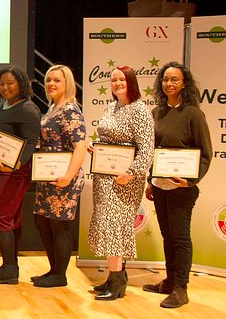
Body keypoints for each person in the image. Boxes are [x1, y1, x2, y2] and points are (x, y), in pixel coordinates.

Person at [143, 62, 212, 308]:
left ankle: (181, 289)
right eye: (165, 79)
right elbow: (151, 150)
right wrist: (151, 181)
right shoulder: (156, 113)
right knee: (167, 236)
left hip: (183, 188)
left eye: (174, 79)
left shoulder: (193, 113)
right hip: (159, 186)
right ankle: (170, 281)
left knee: (181, 238)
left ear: (184, 83)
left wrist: (190, 180)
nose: (169, 83)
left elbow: (206, 153)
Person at [88, 65, 154, 301]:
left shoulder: (140, 111)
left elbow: (147, 150)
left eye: (122, 80)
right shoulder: (110, 107)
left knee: (114, 226)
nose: (117, 84)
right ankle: (115, 275)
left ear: (131, 83)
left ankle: (116, 285)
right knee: (106, 225)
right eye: (113, 80)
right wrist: (95, 148)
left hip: (125, 180)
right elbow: (107, 139)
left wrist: (131, 173)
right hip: (104, 176)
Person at [0, 66, 40, 285]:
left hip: (13, 173)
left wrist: (14, 165)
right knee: (11, 218)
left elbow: (31, 142)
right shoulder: (5, 104)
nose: (5, 87)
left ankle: (9, 269)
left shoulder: (27, 108)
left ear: (22, 84)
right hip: (0, 170)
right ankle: (11, 264)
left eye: (10, 83)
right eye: (2, 84)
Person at [31, 65, 88, 288]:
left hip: (64, 178)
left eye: (57, 80)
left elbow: (81, 145)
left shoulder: (70, 110)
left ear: (68, 84)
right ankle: (53, 270)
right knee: (42, 222)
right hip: (48, 176)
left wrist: (68, 176)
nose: (51, 84)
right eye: (48, 80)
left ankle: (60, 275)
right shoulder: (54, 107)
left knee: (59, 226)